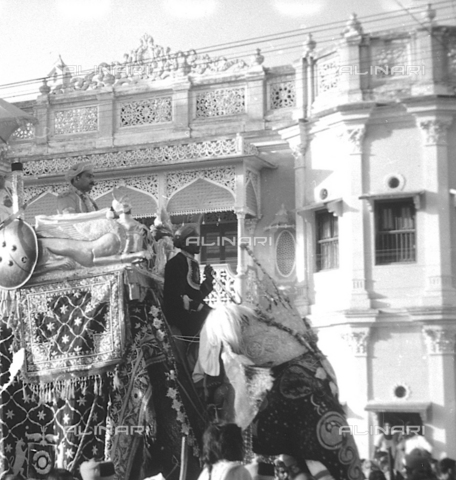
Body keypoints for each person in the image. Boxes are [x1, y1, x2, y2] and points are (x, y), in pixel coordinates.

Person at [163, 224, 214, 338]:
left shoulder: (193, 263)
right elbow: (175, 297)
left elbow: (197, 294)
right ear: (185, 242)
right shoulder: (176, 263)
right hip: (181, 314)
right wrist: (201, 308)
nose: (199, 244)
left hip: (194, 311)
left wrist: (208, 280)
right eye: (195, 241)